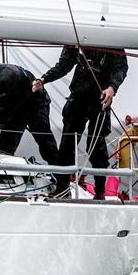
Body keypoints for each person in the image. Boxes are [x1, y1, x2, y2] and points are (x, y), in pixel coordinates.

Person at [33, 45, 128, 199]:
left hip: (100, 99)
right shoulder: (74, 43)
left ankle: (99, 192)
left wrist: (112, 88)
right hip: (78, 97)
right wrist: (44, 79)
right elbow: (64, 65)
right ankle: (63, 188)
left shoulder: (111, 41)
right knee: (66, 146)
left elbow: (121, 68)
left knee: (96, 146)